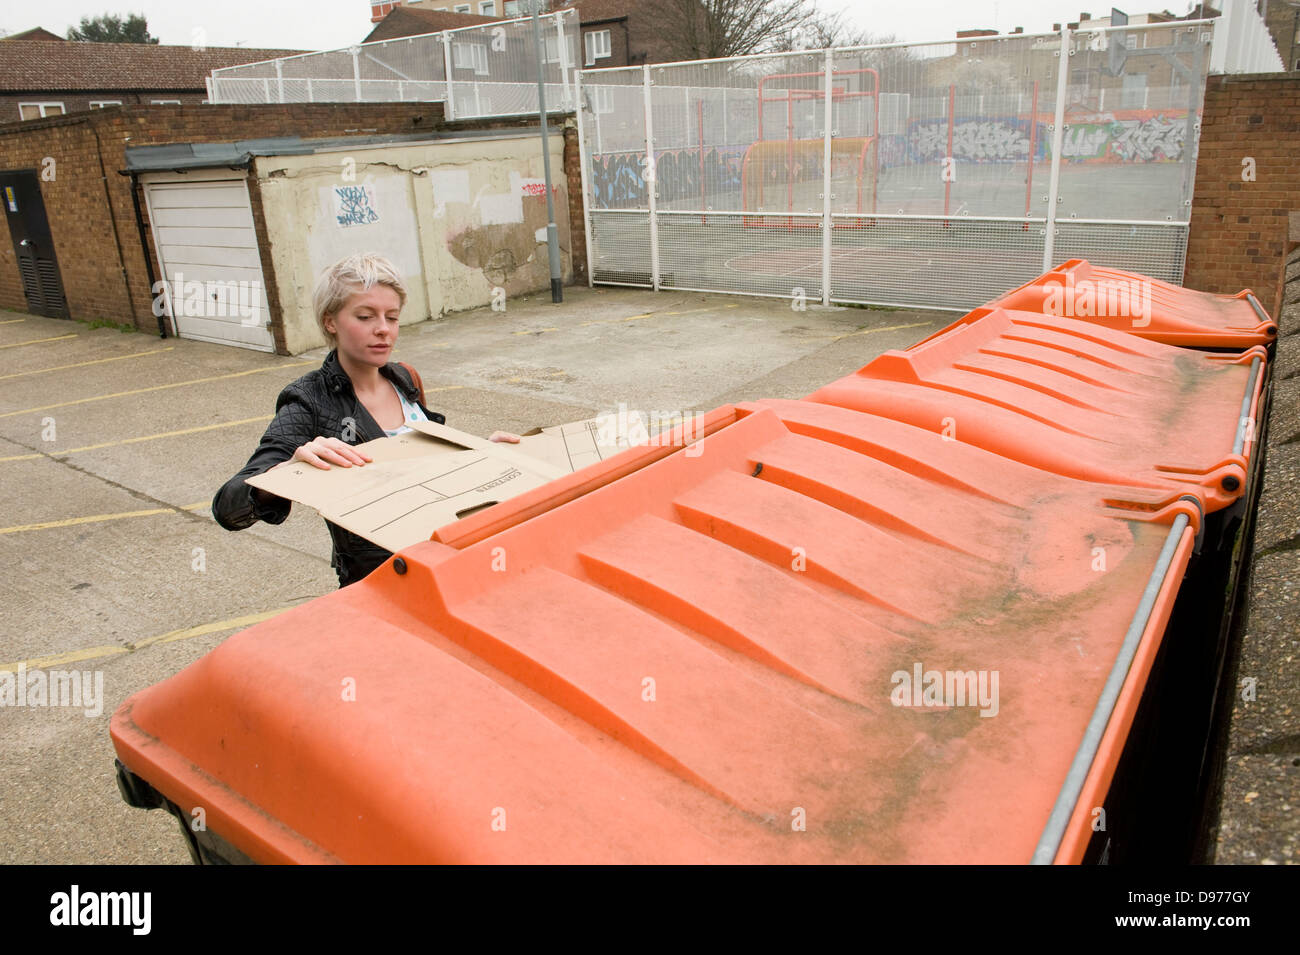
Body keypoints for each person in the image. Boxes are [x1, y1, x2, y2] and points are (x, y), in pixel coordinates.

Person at [212, 252, 519, 588]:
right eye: (365, 316)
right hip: (381, 582)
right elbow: (229, 509)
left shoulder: (405, 378)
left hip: (447, 563)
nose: (383, 330)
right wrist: (287, 471)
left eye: (392, 317)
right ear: (330, 322)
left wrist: (480, 454)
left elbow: (431, 469)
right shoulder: (309, 399)